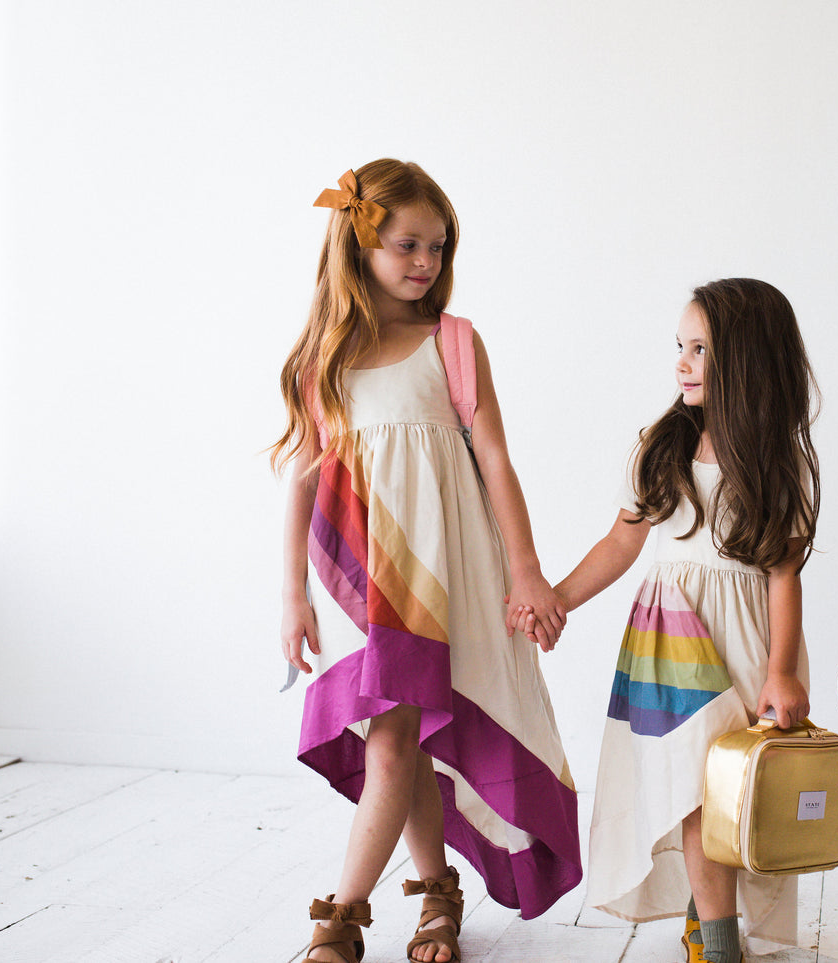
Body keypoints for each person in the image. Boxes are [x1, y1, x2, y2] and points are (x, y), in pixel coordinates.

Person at [271, 160, 579, 963]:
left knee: (398, 739)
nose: (426, 262)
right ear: (359, 243)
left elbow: (497, 462)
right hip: (358, 585)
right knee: (396, 740)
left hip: (440, 578)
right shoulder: (323, 361)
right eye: (408, 244)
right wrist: (291, 595)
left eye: (438, 248)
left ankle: (340, 920)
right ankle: (435, 895)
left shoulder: (452, 341)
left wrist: (527, 571)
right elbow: (302, 478)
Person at [531, 279, 820, 963]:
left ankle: (704, 912)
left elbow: (782, 572)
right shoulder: (662, 446)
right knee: (693, 794)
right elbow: (621, 542)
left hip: (749, 644)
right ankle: (718, 946)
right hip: (669, 645)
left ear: (746, 362)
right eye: (680, 347)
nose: (681, 362)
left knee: (731, 794)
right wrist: (558, 598)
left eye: (699, 349)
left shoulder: (776, 465)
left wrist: (780, 670)